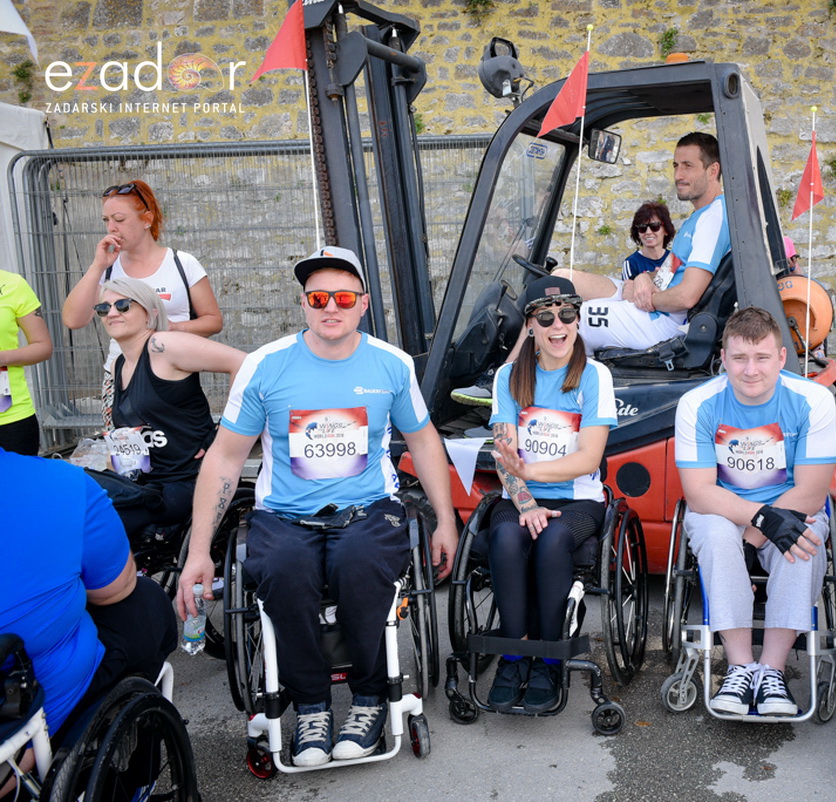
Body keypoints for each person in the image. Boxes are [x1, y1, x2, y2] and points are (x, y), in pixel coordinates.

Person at [176, 246, 458, 768]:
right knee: (282, 571)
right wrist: (198, 552)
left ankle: (370, 697)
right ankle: (311, 706)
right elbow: (224, 459)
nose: (332, 307)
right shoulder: (265, 366)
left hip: (368, 507)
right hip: (285, 514)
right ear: (303, 304)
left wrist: (445, 520)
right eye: (319, 297)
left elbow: (423, 440)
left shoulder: (390, 364)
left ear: (364, 304)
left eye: (344, 297)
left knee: (360, 565)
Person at [451, 132, 728, 405]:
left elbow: (687, 296)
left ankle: (509, 383)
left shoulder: (713, 218)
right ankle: (525, 375)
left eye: (688, 166)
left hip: (664, 321)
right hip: (655, 301)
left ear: (713, 169)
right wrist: (644, 278)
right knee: (562, 279)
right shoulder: (700, 216)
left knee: (560, 315)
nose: (679, 174)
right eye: (676, 166)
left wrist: (649, 298)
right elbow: (671, 270)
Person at [674, 307, 836, 716]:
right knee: (713, 535)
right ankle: (740, 665)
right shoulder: (697, 404)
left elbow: (813, 492)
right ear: (723, 358)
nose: (751, 370)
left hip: (792, 503)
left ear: (781, 359)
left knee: (804, 537)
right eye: (740, 358)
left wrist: (755, 533)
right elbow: (698, 494)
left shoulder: (813, 399)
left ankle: (772, 670)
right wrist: (760, 520)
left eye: (762, 358)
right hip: (721, 508)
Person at [485, 276, 617, 713]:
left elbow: (588, 458)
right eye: (546, 317)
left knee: (554, 542)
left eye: (567, 315)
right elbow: (504, 454)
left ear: (577, 319)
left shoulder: (594, 375)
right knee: (504, 539)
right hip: (521, 495)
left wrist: (531, 471)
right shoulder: (509, 375)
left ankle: (548, 657)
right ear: (530, 325)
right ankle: (514, 653)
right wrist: (526, 501)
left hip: (578, 499)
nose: (557, 325)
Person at [0, 449, 176, 741]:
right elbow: (115, 589)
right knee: (146, 600)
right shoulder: (60, 483)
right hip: (27, 718)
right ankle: (130, 772)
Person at [60, 181, 223, 426]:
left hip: (172, 375)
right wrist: (97, 266)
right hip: (121, 376)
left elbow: (213, 321)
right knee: (126, 454)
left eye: (119, 219)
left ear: (147, 219)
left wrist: (171, 328)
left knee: (178, 449)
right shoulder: (107, 268)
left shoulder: (182, 263)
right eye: (106, 220)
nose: (111, 228)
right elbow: (73, 320)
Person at [93, 277, 244, 541]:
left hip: (186, 481)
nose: (113, 313)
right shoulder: (119, 364)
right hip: (146, 482)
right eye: (104, 309)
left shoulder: (162, 345)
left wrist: (221, 436)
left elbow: (243, 364)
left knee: (98, 527)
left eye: (124, 305)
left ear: (150, 313)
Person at [0, 268, 52, 455]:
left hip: (10, 418)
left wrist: (3, 357)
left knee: (16, 484)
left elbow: (43, 346)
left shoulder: (13, 284)